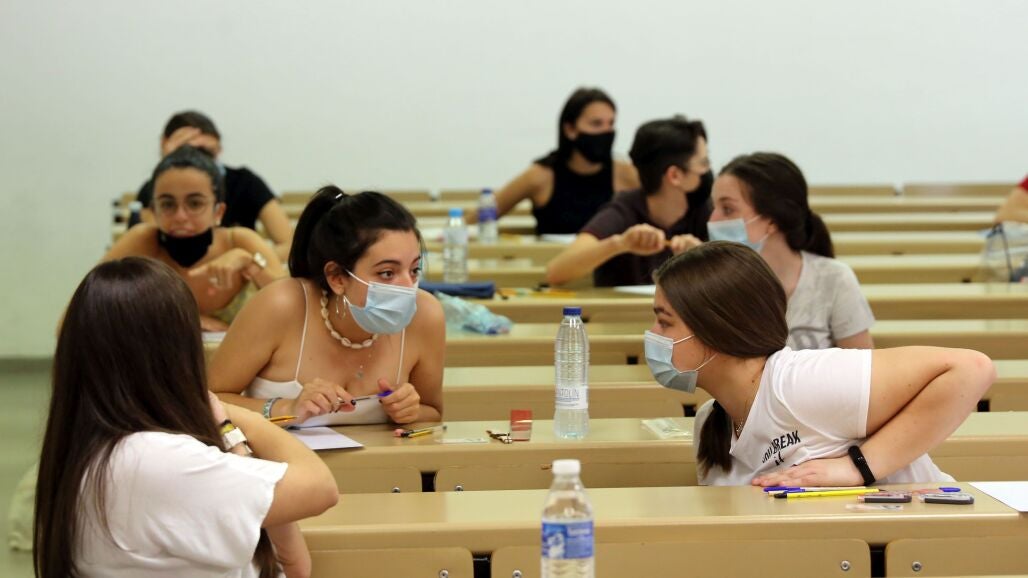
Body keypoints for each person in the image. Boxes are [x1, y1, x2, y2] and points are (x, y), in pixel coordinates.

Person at [34, 257, 338, 578]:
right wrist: (233, 414)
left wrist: (230, 432)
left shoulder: (95, 448)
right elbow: (320, 487)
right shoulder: (153, 459)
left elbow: (292, 564)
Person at [645, 242, 994, 487]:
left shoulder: (797, 381)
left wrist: (857, 468)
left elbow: (970, 369)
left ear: (716, 328)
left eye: (664, 321)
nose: (653, 334)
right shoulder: (710, 424)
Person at [209, 187, 445, 426]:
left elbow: (433, 412)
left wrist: (411, 411)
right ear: (337, 277)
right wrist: (286, 408)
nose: (407, 287)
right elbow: (206, 402)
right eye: (387, 273)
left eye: (414, 270)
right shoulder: (280, 305)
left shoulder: (426, 315)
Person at [104, 146, 286, 331]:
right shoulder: (142, 241)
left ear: (218, 212)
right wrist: (188, 319)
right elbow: (92, 303)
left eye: (195, 203)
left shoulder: (239, 241)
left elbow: (294, 309)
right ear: (154, 211)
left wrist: (250, 265)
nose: (180, 216)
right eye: (167, 204)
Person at [707, 152, 874, 349]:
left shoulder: (834, 278)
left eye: (727, 209)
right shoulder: (712, 284)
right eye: (713, 207)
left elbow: (862, 363)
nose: (712, 220)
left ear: (771, 220)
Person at [545, 115, 712, 287]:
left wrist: (703, 259)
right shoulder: (623, 210)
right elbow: (555, 272)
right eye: (704, 163)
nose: (708, 170)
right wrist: (621, 244)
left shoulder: (707, 211)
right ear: (675, 175)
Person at [470, 87, 639, 235]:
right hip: (550, 260)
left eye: (611, 123)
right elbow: (475, 219)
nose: (606, 131)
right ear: (570, 129)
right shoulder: (540, 175)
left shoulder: (626, 173)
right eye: (596, 124)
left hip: (610, 262)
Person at [135, 110, 294, 260]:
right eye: (168, 204)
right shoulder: (151, 190)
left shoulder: (245, 182)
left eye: (205, 152)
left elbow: (288, 244)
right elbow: (151, 251)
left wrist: (246, 262)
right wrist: (169, 166)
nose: (196, 159)